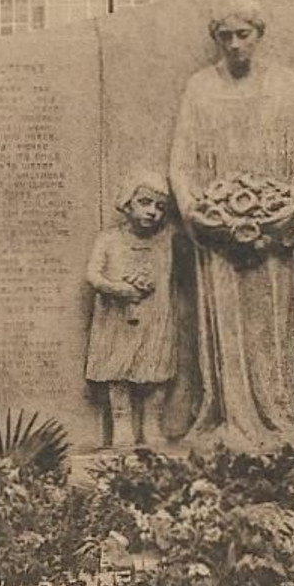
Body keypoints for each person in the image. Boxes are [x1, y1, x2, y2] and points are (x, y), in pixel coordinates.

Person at [168, 0, 294, 449]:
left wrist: (285, 211)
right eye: (225, 36)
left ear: (259, 35)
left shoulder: (285, 83)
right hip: (218, 232)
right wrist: (199, 211)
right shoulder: (200, 86)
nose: (235, 45)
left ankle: (280, 415)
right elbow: (181, 162)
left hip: (271, 233)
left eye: (244, 34)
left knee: (272, 324)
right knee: (226, 327)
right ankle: (228, 417)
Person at [85, 171, 178, 449]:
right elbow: (93, 274)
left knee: (156, 371)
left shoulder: (167, 239)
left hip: (155, 318)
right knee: (118, 372)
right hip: (117, 318)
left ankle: (152, 423)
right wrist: (117, 288)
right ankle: (122, 424)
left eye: (160, 207)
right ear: (128, 203)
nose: (153, 212)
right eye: (145, 202)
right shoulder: (109, 239)